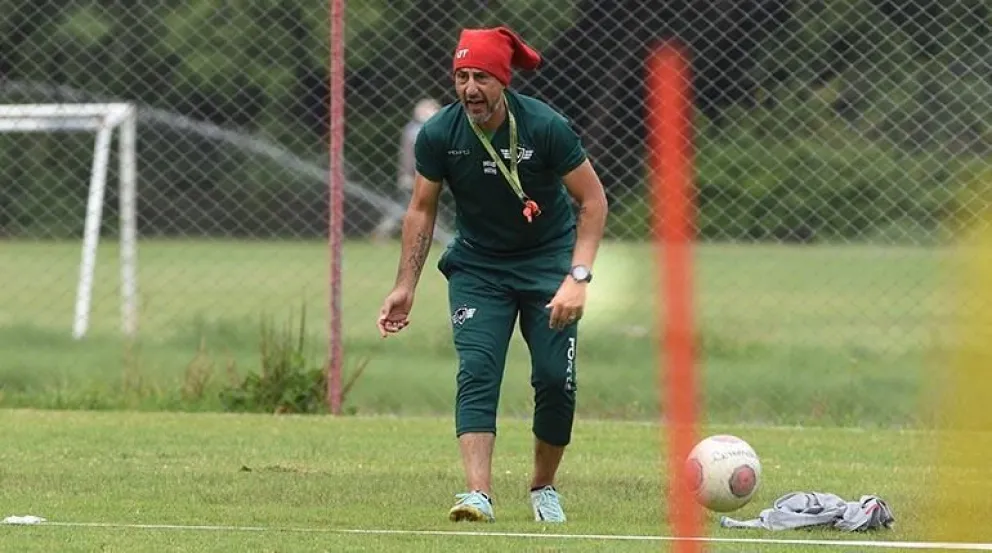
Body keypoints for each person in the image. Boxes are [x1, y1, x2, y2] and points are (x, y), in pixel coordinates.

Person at [375, 26, 608, 524]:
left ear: (503, 81)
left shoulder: (546, 127)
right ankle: (477, 494)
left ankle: (543, 487)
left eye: (481, 77)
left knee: (553, 380)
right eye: (462, 77)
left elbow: (592, 201)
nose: (470, 89)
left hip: (548, 263)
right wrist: (405, 286)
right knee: (478, 369)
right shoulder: (440, 133)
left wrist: (578, 277)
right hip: (479, 267)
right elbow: (420, 209)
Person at [372, 98, 441, 241]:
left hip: (428, 175)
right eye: (428, 109)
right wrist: (405, 175)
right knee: (406, 207)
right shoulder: (413, 130)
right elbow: (407, 156)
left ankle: (434, 235)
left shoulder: (434, 129)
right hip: (413, 176)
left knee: (424, 204)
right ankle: (382, 231)